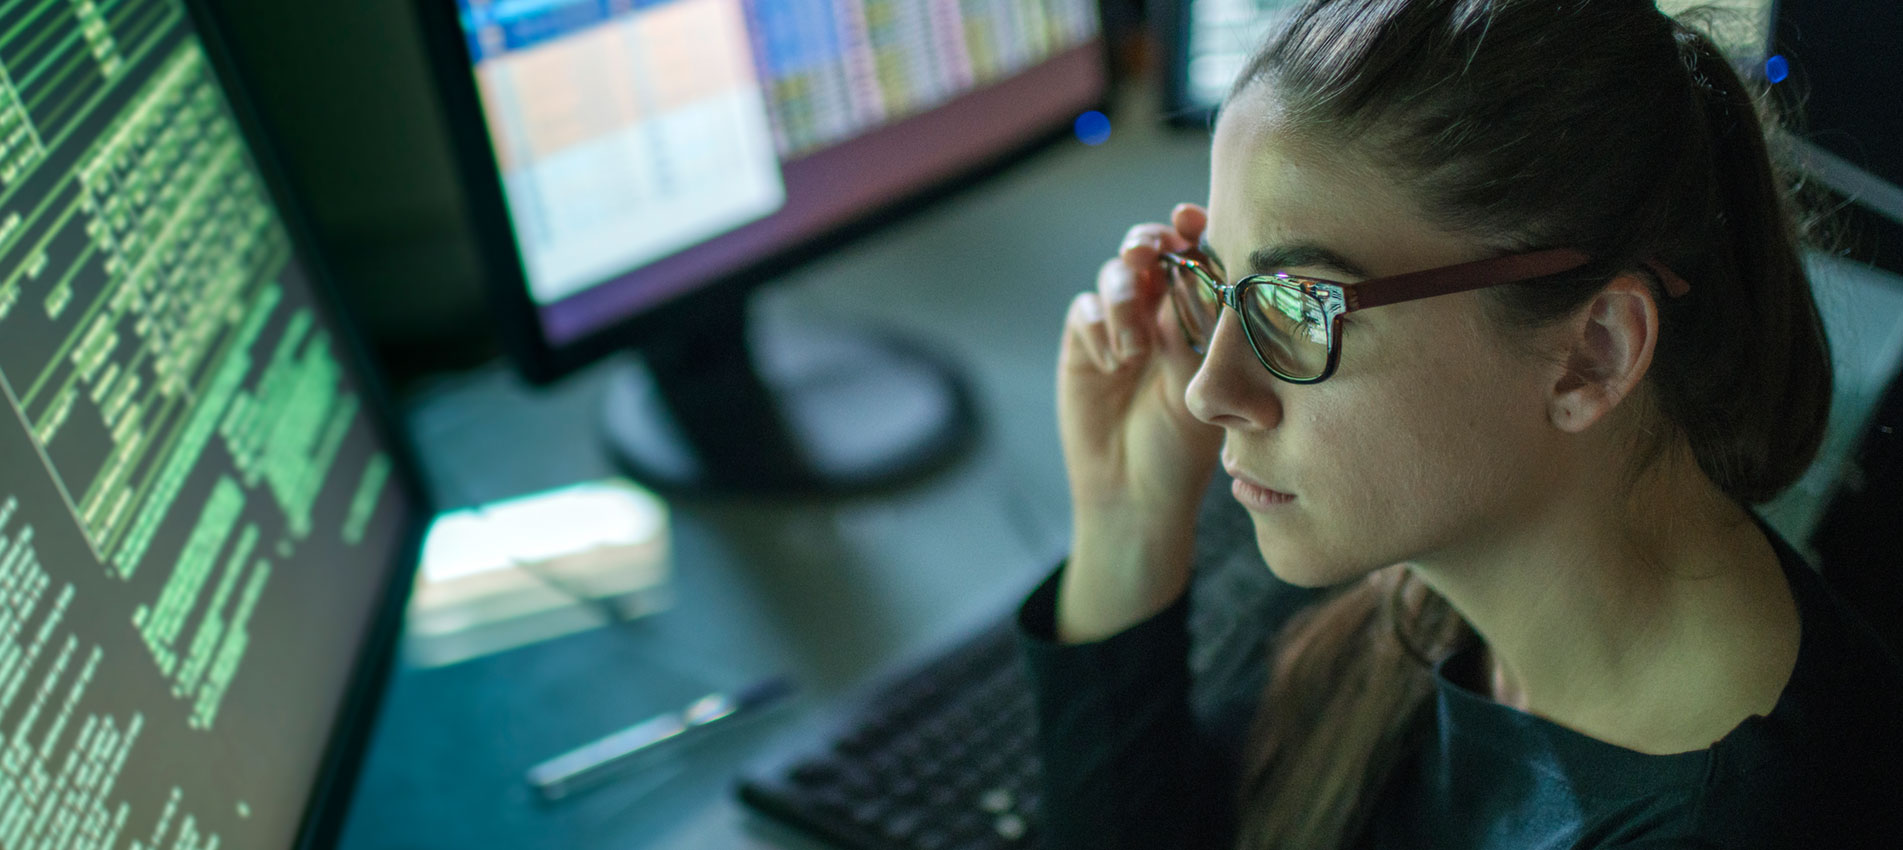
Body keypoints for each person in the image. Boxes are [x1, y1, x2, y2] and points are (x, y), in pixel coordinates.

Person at [1014, 0, 1903, 847]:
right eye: (1216, 284)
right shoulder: (1423, 587)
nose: (1210, 393)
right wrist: (1127, 521)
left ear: (1592, 352)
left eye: (1301, 302)